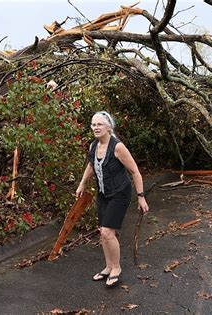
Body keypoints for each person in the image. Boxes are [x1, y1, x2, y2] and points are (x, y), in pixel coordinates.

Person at [76, 111, 149, 288]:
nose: (95, 127)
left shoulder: (117, 147)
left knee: (108, 232)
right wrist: (82, 184)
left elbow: (135, 172)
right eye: (93, 124)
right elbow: (91, 165)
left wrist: (141, 197)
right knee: (103, 231)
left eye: (99, 124)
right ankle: (108, 267)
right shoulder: (93, 146)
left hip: (120, 193)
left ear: (109, 127)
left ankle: (116, 268)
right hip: (103, 194)